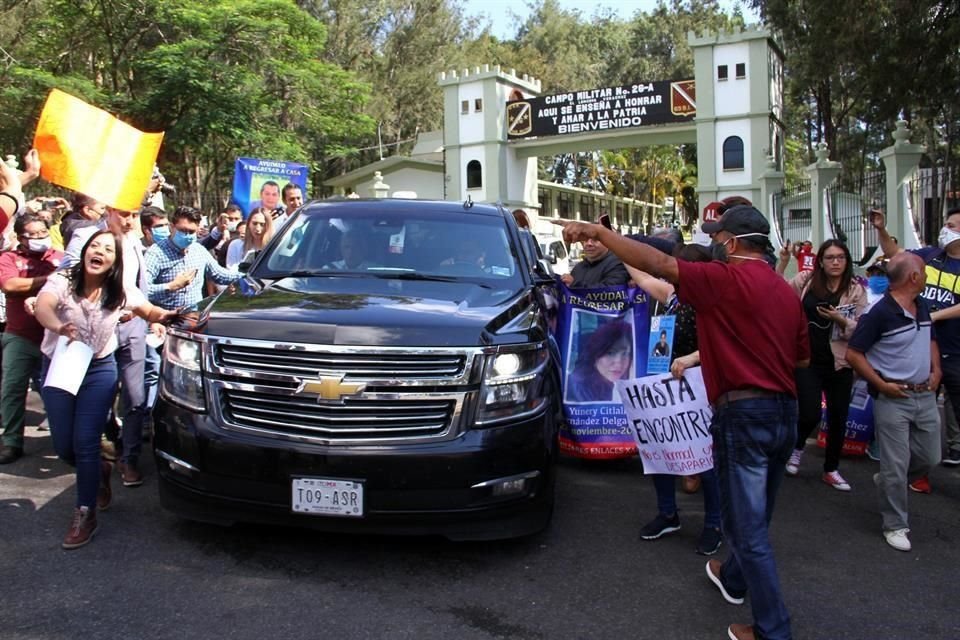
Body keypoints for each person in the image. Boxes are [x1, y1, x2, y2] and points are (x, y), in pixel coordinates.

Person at [558, 204, 809, 640]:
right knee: (756, 516)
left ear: (731, 243)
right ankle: (733, 578)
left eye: (717, 236)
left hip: (744, 416)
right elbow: (802, 357)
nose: (712, 242)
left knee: (746, 529)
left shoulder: (724, 278)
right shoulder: (784, 291)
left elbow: (659, 263)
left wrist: (595, 231)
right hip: (784, 413)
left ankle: (774, 630)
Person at [34, 230, 176, 549]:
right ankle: (99, 469)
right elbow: (44, 306)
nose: (99, 251)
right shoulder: (63, 279)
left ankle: (85, 513)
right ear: (85, 252)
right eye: (94, 246)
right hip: (60, 365)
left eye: (108, 249)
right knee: (65, 448)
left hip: (98, 369)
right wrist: (58, 326)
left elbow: (150, 311)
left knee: (85, 442)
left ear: (115, 261)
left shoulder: (119, 289)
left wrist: (169, 317)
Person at [630, 243, 724, 556]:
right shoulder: (673, 298)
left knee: (706, 460)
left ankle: (714, 523)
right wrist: (609, 241)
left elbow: (725, 344)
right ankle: (668, 514)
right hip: (669, 391)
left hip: (702, 392)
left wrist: (693, 358)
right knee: (660, 451)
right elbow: (643, 279)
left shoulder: (714, 304)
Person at [845, 252, 941, 552]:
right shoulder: (879, 314)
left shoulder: (922, 305)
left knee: (931, 457)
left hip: (925, 394)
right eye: (923, 272)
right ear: (913, 278)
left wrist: (936, 370)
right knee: (896, 465)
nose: (926, 276)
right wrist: (880, 384)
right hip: (893, 398)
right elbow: (853, 354)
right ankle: (895, 524)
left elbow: (931, 340)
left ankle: (889, 480)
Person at [871, 208, 960, 469]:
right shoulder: (930, 256)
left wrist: (934, 317)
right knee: (919, 408)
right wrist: (881, 229)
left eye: (952, 225)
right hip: (919, 346)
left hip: (954, 349)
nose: (945, 228)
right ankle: (913, 469)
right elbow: (894, 255)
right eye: (945, 223)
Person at [776, 239, 867, 491]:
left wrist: (841, 320)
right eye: (830, 257)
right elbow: (777, 292)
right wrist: (783, 261)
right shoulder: (807, 281)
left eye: (840, 257)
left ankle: (831, 469)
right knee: (810, 413)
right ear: (821, 261)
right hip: (807, 358)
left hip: (839, 362)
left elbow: (862, 328)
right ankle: (797, 447)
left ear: (847, 261)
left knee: (839, 415)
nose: (835, 262)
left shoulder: (855, 289)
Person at [0, 214, 65, 464]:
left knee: (56, 390)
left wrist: (35, 285)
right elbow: (10, 286)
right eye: (33, 235)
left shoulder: (59, 257)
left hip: (54, 336)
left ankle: (63, 440)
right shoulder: (9, 258)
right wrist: (48, 280)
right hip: (20, 336)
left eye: (42, 232)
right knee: (13, 388)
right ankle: (11, 441)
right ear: (20, 237)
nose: (40, 238)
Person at [144, 205, 243, 313]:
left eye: (191, 232)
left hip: (194, 318)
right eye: (182, 231)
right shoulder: (155, 253)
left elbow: (220, 274)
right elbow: (142, 289)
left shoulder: (198, 250)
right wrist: (171, 286)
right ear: (172, 227)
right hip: (164, 321)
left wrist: (246, 276)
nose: (187, 235)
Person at [565, 319, 633, 403]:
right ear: (595, 354)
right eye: (610, 353)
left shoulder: (630, 381)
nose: (619, 362)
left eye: (625, 353)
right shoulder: (576, 387)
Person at [561, 236, 629, 288]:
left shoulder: (617, 265)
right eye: (585, 240)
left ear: (607, 242)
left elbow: (610, 291)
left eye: (595, 240)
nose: (589, 243)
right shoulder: (578, 267)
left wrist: (574, 284)